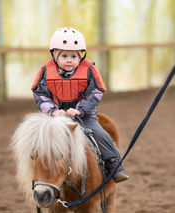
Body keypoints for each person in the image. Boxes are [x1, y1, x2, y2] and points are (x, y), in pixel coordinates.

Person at [31, 27, 128, 183]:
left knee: (100, 134)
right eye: (64, 56)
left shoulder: (89, 70)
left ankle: (114, 164)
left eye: (74, 56)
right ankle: (39, 172)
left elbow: (96, 92)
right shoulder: (46, 72)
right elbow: (40, 94)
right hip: (55, 118)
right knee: (39, 138)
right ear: (54, 56)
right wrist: (53, 111)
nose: (69, 60)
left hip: (85, 116)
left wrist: (80, 110)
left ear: (81, 56)